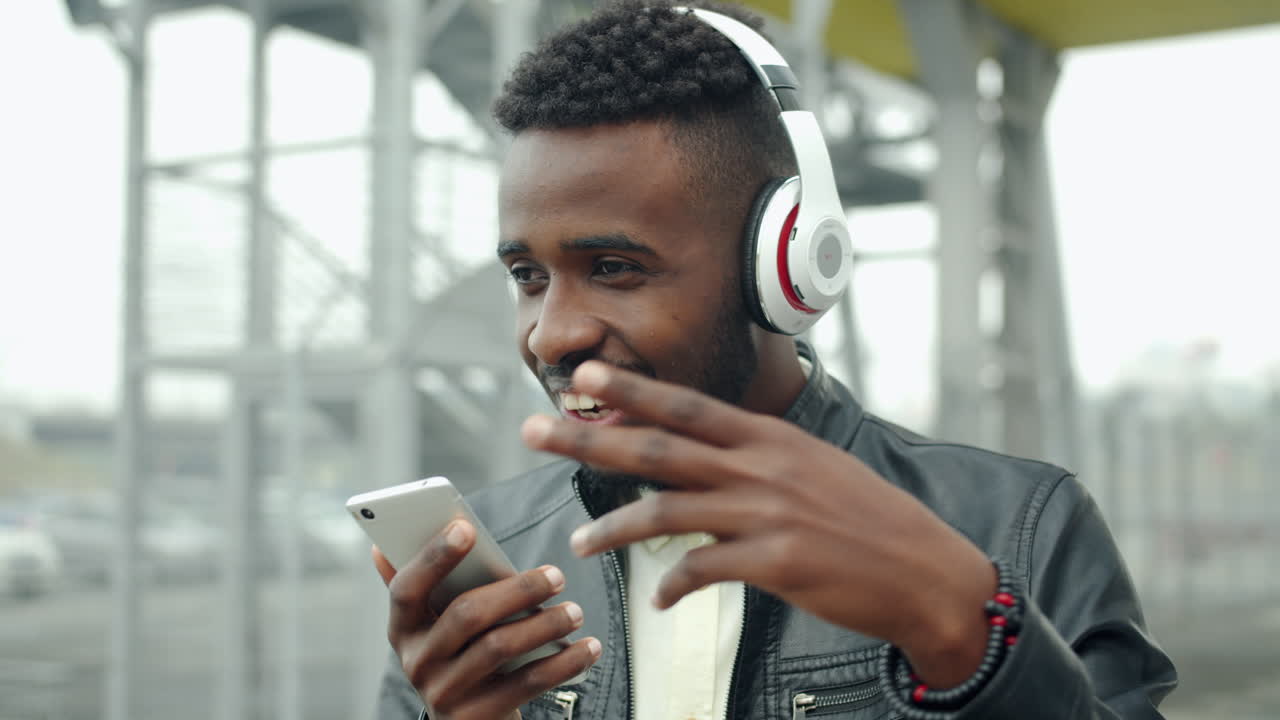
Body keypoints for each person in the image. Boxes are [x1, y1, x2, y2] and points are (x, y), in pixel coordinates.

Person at [372, 2, 1177, 718]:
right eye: (528, 277)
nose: (550, 335)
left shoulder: (1020, 527)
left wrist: (966, 631)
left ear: (784, 265)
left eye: (614, 268)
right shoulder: (490, 558)